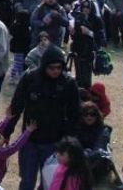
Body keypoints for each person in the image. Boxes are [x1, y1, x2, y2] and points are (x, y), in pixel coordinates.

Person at [5, 45, 81, 190]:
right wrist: (7, 131)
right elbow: (16, 106)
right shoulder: (30, 78)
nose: (55, 71)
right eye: (51, 68)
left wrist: (70, 140)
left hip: (55, 142)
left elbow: (74, 114)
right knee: (27, 180)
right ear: (44, 65)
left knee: (50, 182)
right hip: (30, 140)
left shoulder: (68, 83)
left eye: (59, 68)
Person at [0, 118, 37, 184]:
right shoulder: (0, 153)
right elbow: (15, 146)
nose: (2, 137)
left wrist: (7, 119)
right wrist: (28, 131)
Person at [69, 0, 104, 89]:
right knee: (78, 73)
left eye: (88, 7)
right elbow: (74, 36)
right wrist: (72, 31)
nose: (85, 9)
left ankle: (87, 91)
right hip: (78, 49)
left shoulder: (97, 20)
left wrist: (89, 32)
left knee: (87, 75)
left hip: (89, 50)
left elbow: (101, 38)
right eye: (83, 7)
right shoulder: (78, 18)